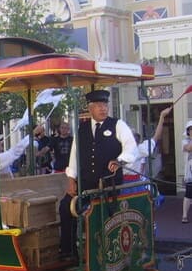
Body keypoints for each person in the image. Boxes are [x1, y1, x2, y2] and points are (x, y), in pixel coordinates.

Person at [59, 89, 137, 259]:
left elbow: (131, 148)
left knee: (99, 212)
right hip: (86, 183)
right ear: (90, 108)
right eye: (99, 106)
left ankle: (103, 254)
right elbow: (74, 154)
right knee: (66, 206)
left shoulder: (117, 125)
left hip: (109, 184)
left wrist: (120, 160)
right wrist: (71, 179)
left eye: (105, 105)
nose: (103, 109)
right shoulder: (82, 129)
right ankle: (68, 251)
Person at [124, 106, 172, 186]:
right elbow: (156, 137)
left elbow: (156, 137)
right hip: (123, 187)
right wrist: (162, 116)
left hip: (133, 185)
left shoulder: (139, 149)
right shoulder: (117, 150)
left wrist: (162, 116)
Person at [182, 120, 192, 223]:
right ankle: (184, 215)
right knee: (188, 194)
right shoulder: (185, 141)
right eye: (190, 129)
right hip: (190, 172)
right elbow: (189, 148)